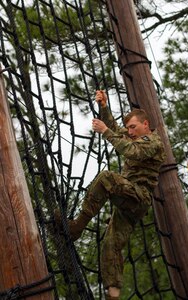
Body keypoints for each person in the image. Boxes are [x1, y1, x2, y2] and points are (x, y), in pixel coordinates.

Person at [68, 90, 166, 300]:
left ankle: (77, 226)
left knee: (106, 178)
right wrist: (104, 106)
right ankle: (113, 295)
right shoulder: (133, 135)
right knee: (110, 245)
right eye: (129, 127)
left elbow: (132, 151)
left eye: (133, 127)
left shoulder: (153, 142)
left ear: (146, 124)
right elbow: (114, 128)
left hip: (139, 196)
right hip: (128, 201)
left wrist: (105, 132)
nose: (130, 131)